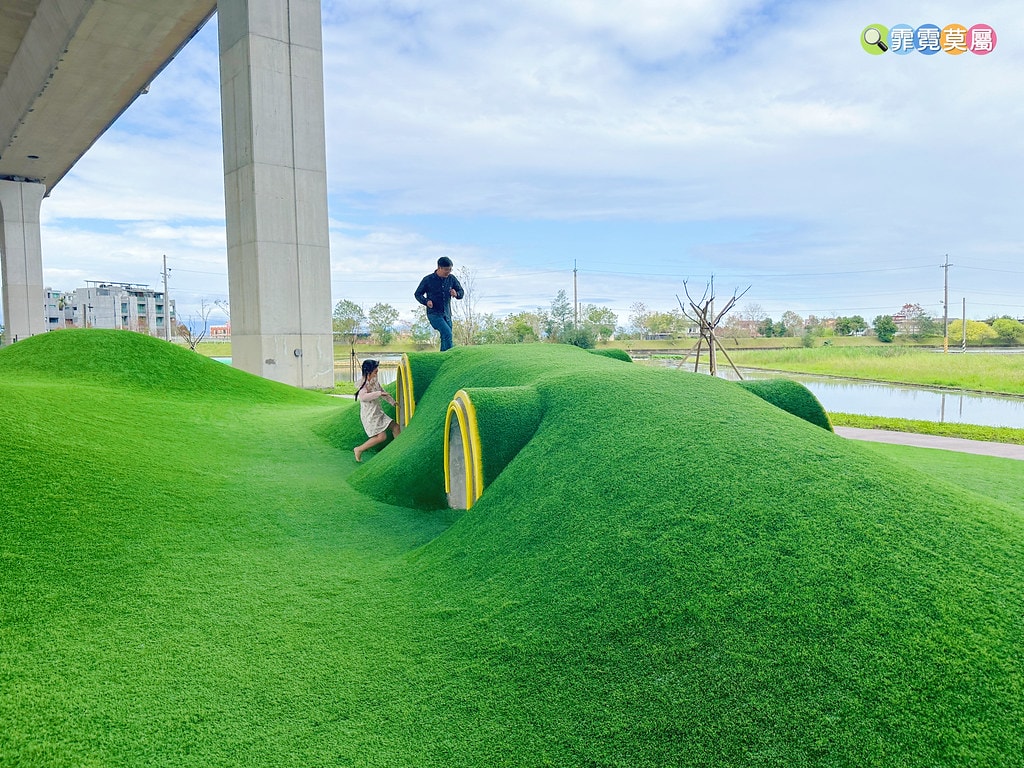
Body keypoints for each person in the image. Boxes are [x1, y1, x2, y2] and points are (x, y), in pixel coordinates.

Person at [353, 359, 400, 462]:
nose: (376, 374)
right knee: (381, 437)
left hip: (378, 413)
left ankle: (399, 450)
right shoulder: (363, 385)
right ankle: (359, 449)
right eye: (375, 372)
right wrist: (378, 394)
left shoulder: (374, 381)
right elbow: (363, 397)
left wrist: (392, 402)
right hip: (370, 415)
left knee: (396, 427)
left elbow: (382, 391)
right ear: (368, 372)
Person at [414, 256, 464, 351]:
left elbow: (461, 292)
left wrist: (456, 294)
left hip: (447, 314)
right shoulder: (428, 279)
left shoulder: (451, 279)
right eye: (446, 270)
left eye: (450, 270)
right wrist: (426, 301)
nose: (448, 272)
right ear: (439, 268)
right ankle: (450, 356)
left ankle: (443, 356)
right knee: (447, 333)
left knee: (446, 337)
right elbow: (417, 294)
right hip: (434, 314)